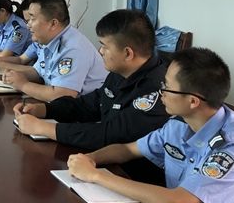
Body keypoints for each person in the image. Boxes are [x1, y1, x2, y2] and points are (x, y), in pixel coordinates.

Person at [67, 48, 234, 203]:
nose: (161, 92)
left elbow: (177, 202)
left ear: (193, 101)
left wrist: (96, 176)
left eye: (167, 87)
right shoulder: (180, 124)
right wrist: (90, 159)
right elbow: (128, 150)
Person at [13, 9, 169, 150]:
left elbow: (111, 134)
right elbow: (89, 105)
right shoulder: (121, 72)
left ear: (127, 53)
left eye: (105, 46)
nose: (100, 51)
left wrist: (43, 129)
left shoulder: (157, 90)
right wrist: (45, 110)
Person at [2, 0, 107, 101]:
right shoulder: (50, 40)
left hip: (84, 110)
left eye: (32, 19)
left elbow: (62, 95)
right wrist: (14, 76)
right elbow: (39, 72)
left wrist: (23, 85)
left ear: (53, 24)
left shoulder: (72, 48)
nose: (28, 25)